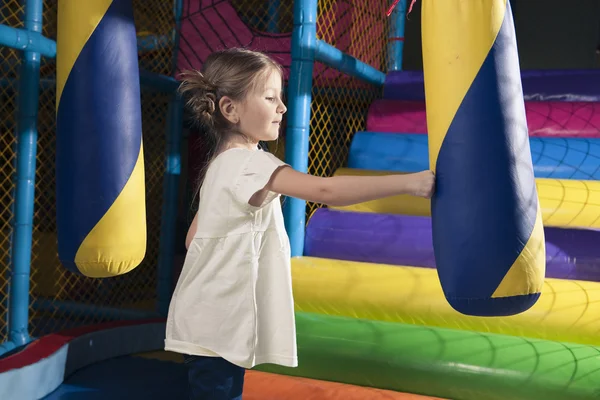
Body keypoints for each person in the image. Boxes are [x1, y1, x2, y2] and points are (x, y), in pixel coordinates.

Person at [164, 47, 435, 400]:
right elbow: (325, 189)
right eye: (270, 97)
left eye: (282, 97)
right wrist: (411, 183)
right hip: (218, 323)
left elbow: (193, 238)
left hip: (203, 316)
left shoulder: (221, 164)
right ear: (230, 109)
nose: (283, 108)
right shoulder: (250, 165)